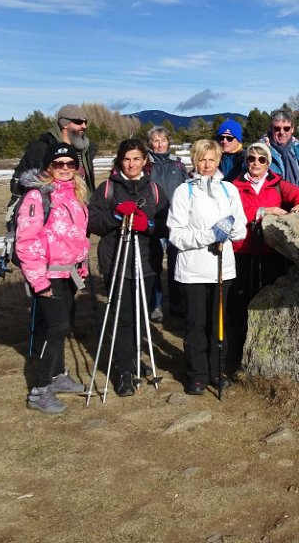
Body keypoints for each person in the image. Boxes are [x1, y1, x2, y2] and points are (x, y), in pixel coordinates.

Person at [88, 138, 169, 397]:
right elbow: (92, 222)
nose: (131, 164)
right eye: (126, 159)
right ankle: (124, 370)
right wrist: (114, 216)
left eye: (136, 158)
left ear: (145, 160)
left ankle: (134, 357)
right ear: (119, 161)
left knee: (140, 316)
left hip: (147, 262)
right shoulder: (108, 188)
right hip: (116, 261)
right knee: (123, 318)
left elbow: (167, 223)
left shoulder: (154, 189)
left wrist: (149, 226)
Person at [167, 139, 247, 394]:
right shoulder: (185, 191)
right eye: (202, 159)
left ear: (218, 161)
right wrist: (210, 235)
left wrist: (229, 231)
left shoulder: (228, 189)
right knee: (196, 324)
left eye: (212, 159)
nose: (207, 164)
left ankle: (216, 370)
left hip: (223, 269)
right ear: (195, 160)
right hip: (193, 271)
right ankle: (197, 374)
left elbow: (240, 226)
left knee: (218, 323)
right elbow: (176, 234)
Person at [16, 144, 91, 414]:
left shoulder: (76, 193)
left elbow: (76, 234)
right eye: (58, 163)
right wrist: (39, 281)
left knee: (62, 325)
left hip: (68, 272)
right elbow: (25, 242)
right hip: (48, 273)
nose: (64, 168)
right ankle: (40, 389)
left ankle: (58, 375)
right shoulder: (37, 197)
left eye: (70, 163)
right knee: (56, 328)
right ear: (49, 167)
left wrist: (80, 264)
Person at [229, 143, 299, 369]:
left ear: (268, 163)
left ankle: (266, 354)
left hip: (270, 251)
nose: (256, 163)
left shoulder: (277, 183)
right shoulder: (234, 186)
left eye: (261, 159)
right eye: (251, 158)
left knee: (268, 302)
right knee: (240, 303)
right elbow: (231, 214)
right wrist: (264, 211)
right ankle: (238, 354)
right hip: (242, 251)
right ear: (246, 161)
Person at [146, 126, 189, 321]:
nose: (160, 144)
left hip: (175, 221)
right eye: (156, 140)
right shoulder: (146, 165)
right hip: (154, 220)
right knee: (154, 264)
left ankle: (176, 303)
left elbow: (187, 189)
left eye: (163, 140)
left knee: (175, 264)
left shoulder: (178, 165)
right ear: (150, 143)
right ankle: (155, 305)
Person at [11, 104, 97, 197]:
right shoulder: (42, 147)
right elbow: (19, 183)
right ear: (65, 124)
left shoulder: (85, 150)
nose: (84, 126)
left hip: (82, 203)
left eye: (85, 122)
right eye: (79, 122)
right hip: (52, 203)